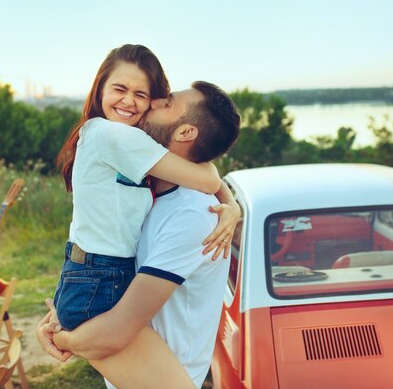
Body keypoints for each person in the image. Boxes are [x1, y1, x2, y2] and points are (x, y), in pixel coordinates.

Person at [38, 80, 241, 389]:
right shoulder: (146, 192)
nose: (156, 101)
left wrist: (63, 336)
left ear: (185, 133)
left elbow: (115, 332)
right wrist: (233, 204)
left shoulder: (192, 215)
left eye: (168, 103)